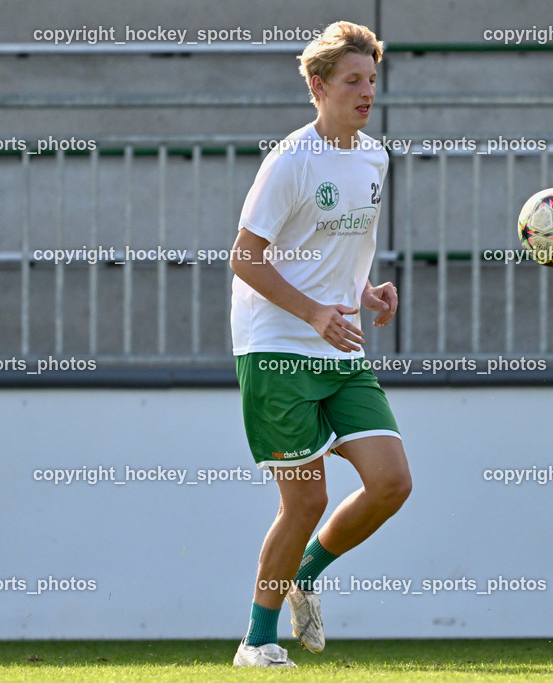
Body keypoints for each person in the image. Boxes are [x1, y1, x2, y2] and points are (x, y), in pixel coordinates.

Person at [229, 20, 412, 669]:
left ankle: (306, 572)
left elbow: (337, 249)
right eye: (353, 80)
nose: (367, 92)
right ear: (318, 85)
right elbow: (245, 258)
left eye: (372, 79)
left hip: (338, 343)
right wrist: (312, 313)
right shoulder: (290, 161)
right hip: (277, 347)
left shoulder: (374, 156)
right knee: (305, 500)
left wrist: (366, 292)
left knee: (392, 482)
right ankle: (256, 640)